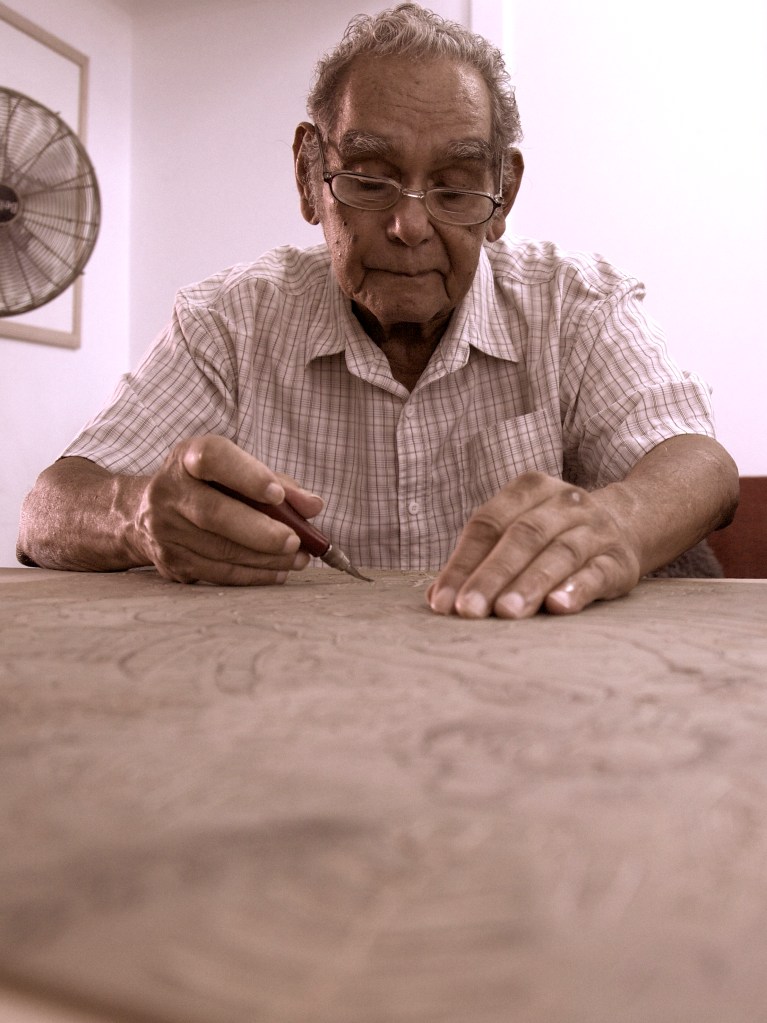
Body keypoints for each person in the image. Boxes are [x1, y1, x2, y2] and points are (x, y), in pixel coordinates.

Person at [16, 3, 737, 619]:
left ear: (502, 198)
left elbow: (700, 466)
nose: (409, 227)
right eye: (369, 180)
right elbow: (47, 509)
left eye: (454, 187)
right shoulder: (230, 321)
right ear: (309, 176)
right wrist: (138, 514)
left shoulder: (574, 306)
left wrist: (615, 520)